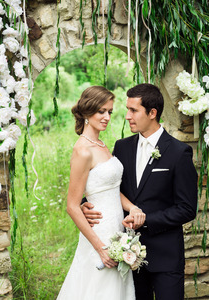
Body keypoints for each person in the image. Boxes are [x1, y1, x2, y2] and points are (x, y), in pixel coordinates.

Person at [83, 83, 198, 300]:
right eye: (127, 109)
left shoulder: (179, 152)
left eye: (133, 110)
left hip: (166, 257)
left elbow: (187, 209)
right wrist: (85, 203)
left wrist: (144, 220)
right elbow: (107, 187)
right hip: (126, 258)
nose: (127, 116)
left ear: (152, 113)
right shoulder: (122, 147)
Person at [57, 86, 145, 300]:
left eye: (110, 112)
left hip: (117, 229)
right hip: (99, 233)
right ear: (87, 112)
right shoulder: (83, 150)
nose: (107, 117)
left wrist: (132, 207)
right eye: (101, 111)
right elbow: (72, 205)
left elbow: (112, 190)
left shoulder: (102, 145)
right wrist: (100, 247)